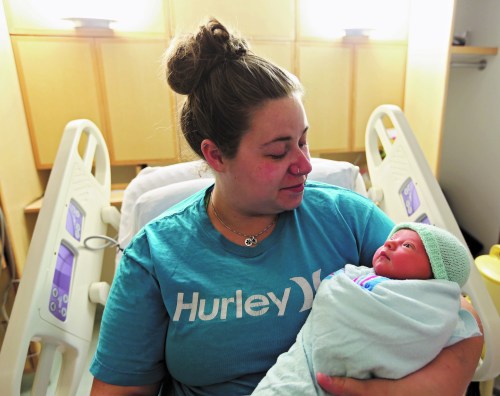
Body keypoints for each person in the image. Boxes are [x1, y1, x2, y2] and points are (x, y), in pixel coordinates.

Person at [90, 18, 483, 396]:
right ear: (215, 155)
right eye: (279, 152)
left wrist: (426, 388)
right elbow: (119, 388)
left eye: (303, 141)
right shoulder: (155, 255)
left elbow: (455, 308)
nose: (305, 164)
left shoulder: (348, 219)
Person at [252, 222, 482, 395]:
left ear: (435, 276)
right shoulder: (360, 275)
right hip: (296, 371)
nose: (389, 242)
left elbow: (462, 318)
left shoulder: (429, 301)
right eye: (390, 240)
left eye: (408, 245)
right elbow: (335, 292)